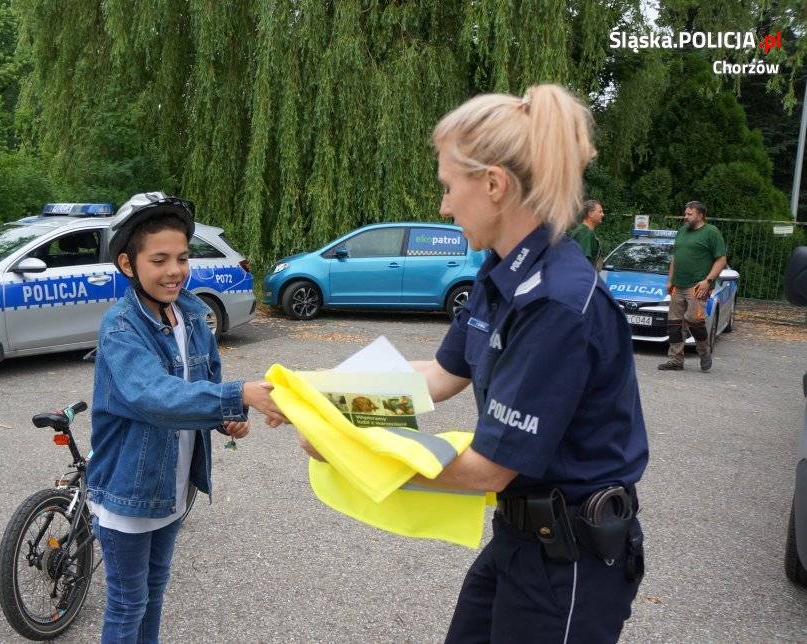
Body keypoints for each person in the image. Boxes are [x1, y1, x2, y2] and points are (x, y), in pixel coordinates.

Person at [301, 85, 648, 643]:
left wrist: (347, 451)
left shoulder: (556, 304)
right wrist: (315, 398)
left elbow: (488, 468)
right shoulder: (500, 274)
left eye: (447, 186)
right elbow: (438, 377)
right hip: (520, 539)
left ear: (493, 184)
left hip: (571, 561)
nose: (442, 206)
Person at [86, 192, 286, 644]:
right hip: (128, 491)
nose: (174, 270)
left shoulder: (192, 315)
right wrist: (239, 395)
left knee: (154, 594)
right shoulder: (120, 327)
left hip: (172, 487)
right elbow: (154, 396)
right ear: (127, 264)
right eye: (159, 260)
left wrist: (225, 418)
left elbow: (202, 383)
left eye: (181, 257)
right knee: (126, 604)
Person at [658, 200, 727, 373]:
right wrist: (670, 280)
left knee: (694, 320)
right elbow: (675, 257)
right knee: (674, 323)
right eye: (685, 213)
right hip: (677, 286)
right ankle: (675, 360)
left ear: (700, 215)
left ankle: (704, 352)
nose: (685, 216)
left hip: (697, 286)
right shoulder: (682, 231)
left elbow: (721, 260)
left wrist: (708, 281)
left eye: (689, 213)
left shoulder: (711, 232)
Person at [567, 199, 604, 266]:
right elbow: (583, 263)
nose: (602, 214)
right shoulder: (585, 233)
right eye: (600, 212)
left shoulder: (582, 230)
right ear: (590, 214)